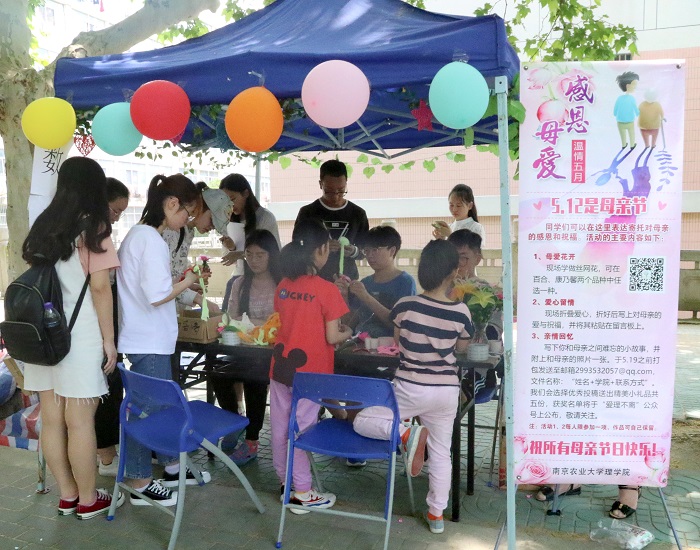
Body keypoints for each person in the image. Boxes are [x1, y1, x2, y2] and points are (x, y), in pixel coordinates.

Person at [21, 157, 124, 519]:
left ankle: (67, 495)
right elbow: (100, 288)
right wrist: (109, 341)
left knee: (52, 419)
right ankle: (88, 499)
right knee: (80, 422)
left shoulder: (44, 225)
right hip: (80, 338)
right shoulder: (94, 227)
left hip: (42, 336)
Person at [352, 239, 473, 535]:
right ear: (454, 272)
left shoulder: (405, 305)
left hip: (409, 386)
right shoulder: (461, 312)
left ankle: (407, 433)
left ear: (422, 269)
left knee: (362, 420)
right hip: (446, 390)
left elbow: (398, 340)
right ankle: (436, 515)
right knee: (441, 452)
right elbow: (461, 348)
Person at [117, 173, 209, 508]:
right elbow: (157, 296)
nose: (188, 220)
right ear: (171, 204)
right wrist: (190, 279)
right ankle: (140, 480)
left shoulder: (137, 235)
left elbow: (151, 289)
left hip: (145, 338)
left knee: (151, 409)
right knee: (148, 414)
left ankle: (162, 469)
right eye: (188, 212)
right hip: (150, 340)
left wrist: (183, 281)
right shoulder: (151, 240)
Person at [270, 219, 352, 513]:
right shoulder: (327, 289)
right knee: (302, 430)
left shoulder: (283, 286)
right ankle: (302, 492)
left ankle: (286, 484)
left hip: (280, 367)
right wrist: (348, 332)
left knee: (280, 427)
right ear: (321, 250)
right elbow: (332, 336)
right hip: (311, 374)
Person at [211, 229, 282, 466]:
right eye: (249, 254)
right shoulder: (240, 283)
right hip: (243, 349)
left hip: (273, 352)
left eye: (260, 255)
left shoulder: (282, 284)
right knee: (217, 372)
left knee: (255, 380)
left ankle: (252, 440)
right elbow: (231, 318)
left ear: (272, 255)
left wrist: (251, 324)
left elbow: (282, 321)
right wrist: (250, 326)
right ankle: (235, 421)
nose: (254, 260)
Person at [94, 177, 130, 478]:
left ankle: (104, 455)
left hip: (83, 328)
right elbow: (101, 288)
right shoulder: (96, 234)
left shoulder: (59, 229)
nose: (116, 217)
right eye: (115, 210)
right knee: (108, 386)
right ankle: (106, 457)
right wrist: (109, 339)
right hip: (95, 326)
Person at [162, 182, 232, 314]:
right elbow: (163, 283)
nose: (211, 228)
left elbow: (176, 273)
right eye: (211, 221)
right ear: (200, 207)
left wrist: (189, 285)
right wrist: (197, 298)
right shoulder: (171, 230)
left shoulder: (188, 231)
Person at [294, 159, 369, 282]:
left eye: (341, 190)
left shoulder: (358, 214)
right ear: (320, 184)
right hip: (314, 280)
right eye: (329, 191)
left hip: (347, 281)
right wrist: (321, 247)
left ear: (346, 183)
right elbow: (296, 248)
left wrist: (353, 251)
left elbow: (365, 250)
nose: (335, 196)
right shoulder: (307, 213)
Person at [337, 225, 416, 338]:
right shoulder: (365, 282)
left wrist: (366, 297)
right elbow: (349, 324)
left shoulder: (405, 282)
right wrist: (344, 296)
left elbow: (400, 324)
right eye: (367, 250)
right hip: (360, 344)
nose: (370, 255)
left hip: (388, 346)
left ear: (392, 251)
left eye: (375, 250)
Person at [447, 229, 502, 341]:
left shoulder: (485, 290)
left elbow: (494, 330)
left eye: (463, 258)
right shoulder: (441, 289)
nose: (457, 263)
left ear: (477, 259)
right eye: (452, 257)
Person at [219, 173, 281, 267]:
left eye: (232, 199)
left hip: (264, 273)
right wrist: (231, 248)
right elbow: (227, 259)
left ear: (246, 193)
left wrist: (239, 254)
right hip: (240, 273)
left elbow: (273, 252)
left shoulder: (265, 217)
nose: (229, 205)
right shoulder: (228, 221)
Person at [614, 71, 640, 149]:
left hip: (620, 122)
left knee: (622, 135)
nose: (635, 87)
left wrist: (615, 114)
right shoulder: (631, 98)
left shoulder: (619, 98)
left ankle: (624, 145)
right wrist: (638, 114)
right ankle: (632, 145)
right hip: (630, 121)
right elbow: (635, 109)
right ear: (628, 86)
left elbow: (615, 109)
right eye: (634, 85)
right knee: (631, 134)